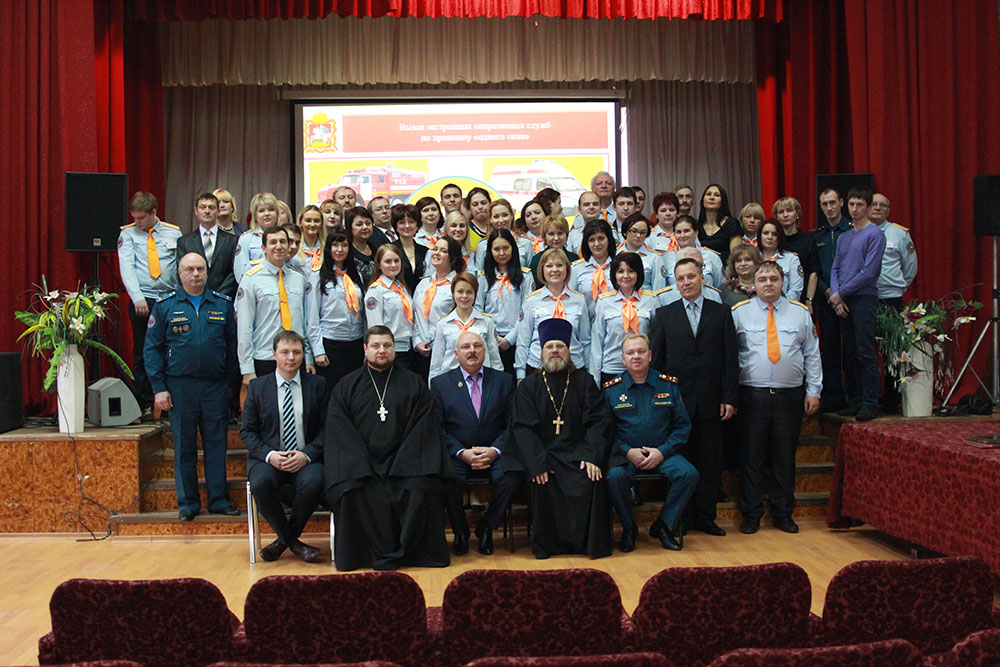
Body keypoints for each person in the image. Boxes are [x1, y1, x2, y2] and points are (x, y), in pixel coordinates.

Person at [324, 325, 454, 570]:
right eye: (375, 346)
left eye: (387, 345)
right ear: (365, 349)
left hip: (406, 463)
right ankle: (361, 557)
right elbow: (341, 433)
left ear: (395, 348)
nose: (381, 350)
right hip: (362, 465)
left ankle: (415, 554)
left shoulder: (414, 383)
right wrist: (368, 465)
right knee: (353, 490)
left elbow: (422, 430)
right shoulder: (346, 386)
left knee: (420, 488)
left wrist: (397, 464)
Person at [504, 318, 613, 559]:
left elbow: (598, 421)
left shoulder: (584, 382)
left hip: (578, 453)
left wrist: (591, 455)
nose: (555, 350)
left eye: (560, 346)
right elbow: (522, 428)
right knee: (543, 481)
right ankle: (548, 546)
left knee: (592, 479)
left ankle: (587, 545)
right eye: (549, 346)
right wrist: (537, 463)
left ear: (568, 350)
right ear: (541, 352)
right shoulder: (528, 386)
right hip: (545, 455)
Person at [144, 252, 238, 520]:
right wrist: (159, 388)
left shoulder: (222, 304)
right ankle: (188, 504)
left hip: (214, 387)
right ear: (180, 273)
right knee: (184, 447)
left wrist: (229, 383)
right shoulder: (165, 306)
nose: (196, 274)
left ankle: (219, 500)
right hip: (179, 388)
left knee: (216, 446)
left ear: (207, 272)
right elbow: (152, 350)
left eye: (200, 269)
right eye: (190, 269)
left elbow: (233, 347)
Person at [649, 257, 738, 537]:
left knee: (710, 462)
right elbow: (657, 362)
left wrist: (729, 397)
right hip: (677, 403)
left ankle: (706, 517)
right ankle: (681, 517)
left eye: (690, 276)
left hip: (712, 400)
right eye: (681, 279)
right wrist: (660, 399)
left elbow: (730, 359)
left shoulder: (721, 312)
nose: (686, 282)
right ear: (675, 284)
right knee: (681, 462)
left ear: (702, 278)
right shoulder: (665, 314)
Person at [731, 261, 822, 535]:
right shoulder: (739, 313)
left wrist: (814, 390)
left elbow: (812, 354)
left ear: (783, 282)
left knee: (784, 457)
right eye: (762, 279)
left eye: (773, 278)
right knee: (752, 458)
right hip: (752, 395)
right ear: (753, 284)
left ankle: (783, 513)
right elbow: (730, 357)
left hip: (789, 396)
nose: (768, 283)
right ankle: (751, 514)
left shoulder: (799, 313)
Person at [604, 334, 698, 551]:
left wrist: (662, 451)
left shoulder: (668, 385)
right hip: (627, 456)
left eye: (641, 351)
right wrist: (627, 452)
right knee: (613, 477)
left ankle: (663, 525)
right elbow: (606, 431)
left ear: (650, 355)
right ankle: (629, 527)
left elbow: (682, 427)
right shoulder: (612, 390)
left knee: (688, 474)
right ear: (623, 359)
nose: (636, 356)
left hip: (662, 453)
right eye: (630, 353)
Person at [242, 331, 327, 562]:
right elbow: (247, 431)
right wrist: (270, 455)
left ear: (303, 355)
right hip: (268, 458)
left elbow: (327, 429)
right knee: (260, 483)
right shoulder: (258, 387)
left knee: (315, 482)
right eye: (285, 352)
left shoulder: (318, 385)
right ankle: (294, 544)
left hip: (305, 457)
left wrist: (306, 455)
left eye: (296, 352)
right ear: (274, 354)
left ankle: (283, 542)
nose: (291, 357)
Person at [432, 331, 518, 556]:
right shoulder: (440, 384)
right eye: (466, 347)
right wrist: (461, 452)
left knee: (511, 478)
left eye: (477, 346)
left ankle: (487, 527)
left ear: (485, 350)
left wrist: (495, 450)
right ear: (456, 353)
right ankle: (460, 531)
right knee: (447, 480)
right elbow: (438, 428)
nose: (472, 351)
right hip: (458, 454)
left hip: (495, 451)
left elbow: (513, 423)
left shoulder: (504, 381)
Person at [118, 190, 182, 421]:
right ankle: (145, 403)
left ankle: (169, 404)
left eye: (142, 218)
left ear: (154, 212)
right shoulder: (128, 235)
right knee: (143, 352)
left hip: (169, 298)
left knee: (171, 350)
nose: (137, 222)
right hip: (143, 299)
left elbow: (178, 266)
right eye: (134, 218)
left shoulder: (173, 232)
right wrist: (137, 297)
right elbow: (127, 267)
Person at [237, 227, 323, 383]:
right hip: (265, 356)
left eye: (283, 242)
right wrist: (247, 369)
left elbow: (305, 322)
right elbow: (244, 327)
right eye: (273, 242)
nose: (278, 246)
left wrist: (308, 358)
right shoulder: (251, 279)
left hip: (295, 357)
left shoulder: (300, 278)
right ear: (264, 248)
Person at [830, 188, 887, 422]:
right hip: (844, 299)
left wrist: (840, 293)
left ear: (868, 207)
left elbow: (869, 272)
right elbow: (835, 268)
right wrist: (837, 296)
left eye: (859, 204)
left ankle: (870, 402)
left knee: (865, 352)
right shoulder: (844, 237)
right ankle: (855, 399)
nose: (854, 209)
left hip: (863, 298)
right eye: (852, 204)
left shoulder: (875, 234)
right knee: (851, 352)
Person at [871, 193, 918, 412]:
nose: (878, 208)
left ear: (888, 211)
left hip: (891, 298)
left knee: (892, 351)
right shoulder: (858, 232)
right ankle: (868, 397)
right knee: (866, 350)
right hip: (865, 298)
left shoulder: (899, 234)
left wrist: (897, 286)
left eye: (883, 205)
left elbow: (910, 267)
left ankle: (891, 399)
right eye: (874, 204)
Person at [516, 249, 591, 379]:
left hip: (574, 366)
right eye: (549, 266)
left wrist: (589, 372)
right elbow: (523, 342)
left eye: (559, 265)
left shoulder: (579, 300)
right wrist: (520, 375)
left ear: (567, 269)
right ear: (542, 270)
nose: (554, 270)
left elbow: (585, 341)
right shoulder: (531, 301)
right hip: (538, 367)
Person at [589, 253, 659, 384]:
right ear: (614, 275)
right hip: (612, 367)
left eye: (631, 271)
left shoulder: (651, 301)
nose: (626, 276)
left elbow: (656, 339)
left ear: (638, 273)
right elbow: (597, 341)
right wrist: (595, 379)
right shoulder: (604, 302)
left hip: (643, 369)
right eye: (620, 271)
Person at [813, 188, 852, 411]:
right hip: (827, 300)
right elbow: (815, 271)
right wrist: (828, 293)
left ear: (841, 202)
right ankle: (834, 397)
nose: (829, 208)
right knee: (829, 349)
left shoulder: (852, 230)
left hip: (850, 298)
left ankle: (855, 397)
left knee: (853, 350)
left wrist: (842, 294)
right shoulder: (818, 236)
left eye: (832, 203)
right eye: (824, 204)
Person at [477, 229, 534, 376]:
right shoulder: (483, 278)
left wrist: (509, 339)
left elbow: (526, 311)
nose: (501, 253)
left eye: (506, 248)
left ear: (513, 249)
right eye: (496, 249)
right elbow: (478, 309)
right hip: (489, 338)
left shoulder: (525, 276)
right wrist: (492, 336)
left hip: (517, 338)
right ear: (490, 251)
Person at [315, 231, 365, 389]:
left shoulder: (356, 276)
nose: (339, 249)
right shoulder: (318, 276)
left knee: (355, 389)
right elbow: (312, 317)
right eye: (335, 245)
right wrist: (317, 350)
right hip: (331, 342)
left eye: (344, 245)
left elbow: (363, 313)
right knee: (333, 389)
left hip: (356, 342)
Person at [429, 272, 502, 381]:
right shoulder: (443, 324)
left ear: (475, 294)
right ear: (453, 293)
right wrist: (433, 387)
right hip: (450, 381)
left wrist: (498, 384)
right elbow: (436, 363)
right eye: (460, 291)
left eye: (469, 292)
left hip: (481, 380)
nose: (464, 296)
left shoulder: (486, 322)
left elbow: (495, 358)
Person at [364, 244, 418, 371]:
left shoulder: (401, 287)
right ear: (379, 265)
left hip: (408, 347)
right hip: (390, 350)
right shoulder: (376, 290)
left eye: (396, 260)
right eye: (388, 261)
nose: (393, 265)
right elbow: (375, 326)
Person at [414, 237, 465, 367]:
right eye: (435, 249)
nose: (436, 253)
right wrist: (416, 341)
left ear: (453, 258)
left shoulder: (458, 285)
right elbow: (414, 316)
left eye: (443, 251)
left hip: (447, 350)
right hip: (420, 350)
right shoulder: (423, 283)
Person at [176, 192, 237, 299]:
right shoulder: (184, 242)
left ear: (218, 211)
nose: (207, 211)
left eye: (211, 207)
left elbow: (234, 271)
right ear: (196, 211)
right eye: (202, 207)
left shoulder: (232, 241)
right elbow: (181, 271)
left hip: (224, 299)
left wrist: (218, 296)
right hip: (194, 298)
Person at [774, 197, 820, 307]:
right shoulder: (773, 241)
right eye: (781, 212)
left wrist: (809, 300)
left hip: (803, 296)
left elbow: (813, 273)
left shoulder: (808, 241)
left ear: (797, 214)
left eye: (789, 210)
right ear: (776, 216)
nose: (785, 215)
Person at [569, 221, 617, 317]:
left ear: (609, 239)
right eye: (591, 240)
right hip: (585, 321)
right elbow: (572, 301)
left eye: (601, 238)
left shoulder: (619, 266)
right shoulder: (576, 269)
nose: (597, 244)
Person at [661, 216, 724, 288]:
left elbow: (720, 287)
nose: (682, 235)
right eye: (678, 232)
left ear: (696, 232)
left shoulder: (711, 256)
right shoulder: (666, 258)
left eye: (686, 231)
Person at [234, 192, 279, 283]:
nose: (267, 214)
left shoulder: (285, 237)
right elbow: (240, 271)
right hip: (256, 287)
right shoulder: (246, 239)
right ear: (255, 215)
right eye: (261, 211)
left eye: (271, 209)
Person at [474, 199, 532, 269]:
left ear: (512, 216)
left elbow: (530, 271)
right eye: (496, 217)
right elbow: (479, 272)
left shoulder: (526, 243)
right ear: (490, 219)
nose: (501, 220)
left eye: (505, 215)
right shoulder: (483, 245)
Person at [756, 219, 804, 299]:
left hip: (784, 305)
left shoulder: (792, 259)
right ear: (759, 236)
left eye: (774, 234)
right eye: (766, 233)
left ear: (779, 237)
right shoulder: (751, 258)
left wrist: (779, 304)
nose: (770, 237)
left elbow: (795, 291)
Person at [617, 213, 666, 291]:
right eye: (634, 231)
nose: (638, 235)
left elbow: (659, 289)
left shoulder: (655, 258)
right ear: (625, 232)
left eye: (642, 232)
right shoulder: (615, 254)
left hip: (646, 298)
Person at [527, 216, 579, 285]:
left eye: (560, 233)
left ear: (566, 235)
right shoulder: (537, 260)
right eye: (551, 234)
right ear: (545, 236)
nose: (556, 238)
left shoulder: (575, 259)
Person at [697, 183, 741, 263]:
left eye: (717, 195)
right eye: (708, 194)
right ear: (703, 200)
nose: (711, 198)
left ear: (723, 201)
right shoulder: (696, 226)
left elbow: (736, 255)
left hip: (725, 267)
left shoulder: (732, 224)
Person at [391, 204, 428, 294]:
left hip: (422, 297)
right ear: (396, 227)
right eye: (402, 222)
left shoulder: (425, 251)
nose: (407, 226)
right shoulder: (390, 250)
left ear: (417, 225)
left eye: (411, 222)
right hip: (397, 296)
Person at [345, 205, 378, 287]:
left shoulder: (376, 249)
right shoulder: (346, 251)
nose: (365, 227)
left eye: (368, 223)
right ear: (349, 227)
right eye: (359, 224)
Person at [296, 204, 327, 272]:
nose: (312, 224)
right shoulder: (294, 248)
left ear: (321, 224)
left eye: (316, 221)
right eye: (308, 220)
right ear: (301, 223)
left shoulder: (327, 249)